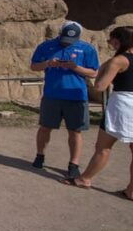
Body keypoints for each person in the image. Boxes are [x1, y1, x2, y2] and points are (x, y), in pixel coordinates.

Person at [62, 26, 133, 199]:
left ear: (118, 40)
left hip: (123, 104)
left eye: (111, 40)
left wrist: (104, 69)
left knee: (103, 147)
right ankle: (131, 190)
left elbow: (100, 86)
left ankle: (84, 179)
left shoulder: (120, 60)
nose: (110, 44)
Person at [30, 21, 99, 178]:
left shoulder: (87, 49)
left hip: (76, 96)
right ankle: (40, 156)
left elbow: (94, 72)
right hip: (52, 95)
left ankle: (73, 164)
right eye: (65, 39)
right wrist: (48, 63)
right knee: (45, 127)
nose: (67, 43)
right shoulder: (46, 46)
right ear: (60, 34)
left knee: (75, 131)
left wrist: (75, 67)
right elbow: (34, 66)